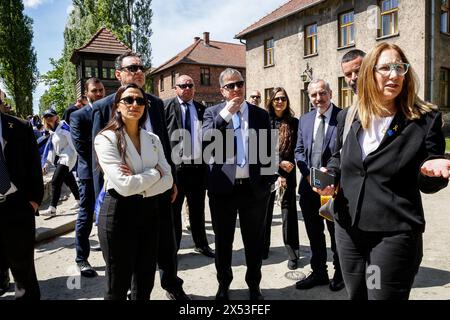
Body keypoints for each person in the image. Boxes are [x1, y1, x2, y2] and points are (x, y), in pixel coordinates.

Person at [316, 42, 450, 300]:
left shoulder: (424, 118)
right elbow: (338, 157)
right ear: (369, 73)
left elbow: (427, 179)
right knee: (356, 294)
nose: (395, 74)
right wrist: (329, 174)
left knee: (379, 296)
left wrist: (430, 171)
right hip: (348, 230)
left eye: (400, 67)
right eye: (386, 68)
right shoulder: (349, 115)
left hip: (390, 235)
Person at [92, 52, 189, 300]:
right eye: (132, 67)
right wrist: (154, 173)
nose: (137, 71)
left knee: (164, 247)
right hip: (120, 202)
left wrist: (168, 178)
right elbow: (100, 163)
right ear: (118, 74)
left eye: (141, 67)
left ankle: (171, 284)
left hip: (156, 198)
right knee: (120, 278)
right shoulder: (104, 109)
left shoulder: (155, 103)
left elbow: (164, 150)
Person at [203, 68, 276, 300]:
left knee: (253, 242)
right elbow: (204, 141)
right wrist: (225, 114)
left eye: (240, 84)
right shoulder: (212, 113)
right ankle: (223, 285)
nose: (236, 89)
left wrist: (268, 183)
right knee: (223, 242)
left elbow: (268, 150)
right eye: (231, 86)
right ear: (222, 90)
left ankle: (254, 286)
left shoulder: (259, 114)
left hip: (253, 190)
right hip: (223, 190)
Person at [294, 79, 344, 291]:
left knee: (336, 234)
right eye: (313, 95)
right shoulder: (304, 120)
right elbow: (298, 151)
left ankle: (340, 273)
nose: (318, 99)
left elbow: (344, 151)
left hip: (333, 189)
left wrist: (330, 178)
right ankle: (319, 272)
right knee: (314, 233)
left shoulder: (342, 117)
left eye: (322, 93)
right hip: (308, 188)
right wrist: (307, 175)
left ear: (330, 93)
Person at [164, 75, 214, 258]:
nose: (186, 88)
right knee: (174, 211)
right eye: (182, 85)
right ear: (175, 88)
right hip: (175, 170)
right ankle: (173, 248)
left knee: (197, 209)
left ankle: (201, 245)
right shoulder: (166, 107)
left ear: (194, 88)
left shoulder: (201, 109)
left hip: (197, 168)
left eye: (190, 85)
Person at [0, 110, 44, 299]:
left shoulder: (19, 126)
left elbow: (34, 165)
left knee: (24, 274)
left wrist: (33, 202)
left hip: (16, 207)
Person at [70, 78, 105, 278]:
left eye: (101, 90)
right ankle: (81, 258)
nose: (99, 94)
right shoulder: (79, 116)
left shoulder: (109, 110)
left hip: (110, 173)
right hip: (89, 174)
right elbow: (81, 148)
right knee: (86, 214)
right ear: (86, 93)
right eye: (94, 91)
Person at [262, 87, 299, 270]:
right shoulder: (264, 121)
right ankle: (263, 248)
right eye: (276, 98)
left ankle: (292, 253)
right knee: (264, 214)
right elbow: (259, 150)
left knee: (288, 215)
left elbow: (296, 150)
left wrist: (284, 174)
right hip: (267, 175)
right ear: (271, 101)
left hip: (288, 176)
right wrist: (278, 168)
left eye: (283, 98)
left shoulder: (293, 123)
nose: (280, 101)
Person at [40, 109, 80, 216]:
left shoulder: (63, 127)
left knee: (55, 181)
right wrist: (47, 163)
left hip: (68, 157)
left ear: (56, 117)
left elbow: (73, 141)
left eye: (50, 115)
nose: (48, 118)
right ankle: (80, 201)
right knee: (70, 180)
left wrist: (80, 155)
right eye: (46, 116)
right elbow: (52, 148)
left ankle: (52, 208)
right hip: (61, 158)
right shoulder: (52, 131)